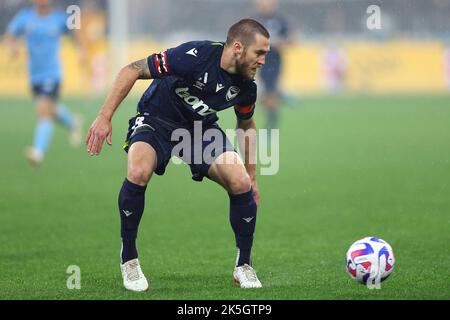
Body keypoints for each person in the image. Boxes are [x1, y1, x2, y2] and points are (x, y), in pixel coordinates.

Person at [85, 19, 270, 292]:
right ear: (239, 48)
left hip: (199, 129)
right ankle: (129, 259)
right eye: (260, 53)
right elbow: (132, 69)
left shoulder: (246, 86)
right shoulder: (193, 57)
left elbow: (246, 126)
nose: (264, 61)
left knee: (239, 181)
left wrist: (252, 177)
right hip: (156, 120)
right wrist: (104, 116)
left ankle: (244, 265)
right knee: (137, 172)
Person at [5, 0, 84, 167]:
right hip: (34, 75)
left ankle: (38, 152)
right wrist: (12, 47)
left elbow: (75, 33)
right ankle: (72, 122)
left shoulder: (58, 18)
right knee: (49, 109)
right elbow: (11, 34)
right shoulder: (25, 17)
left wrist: (81, 51)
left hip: (52, 74)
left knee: (43, 111)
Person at [254, 0, 290, 130]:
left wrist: (278, 42)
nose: (266, 6)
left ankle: (272, 123)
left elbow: (291, 39)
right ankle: (275, 112)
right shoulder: (254, 21)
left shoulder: (280, 21)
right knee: (265, 94)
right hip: (258, 62)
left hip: (274, 61)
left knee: (270, 91)